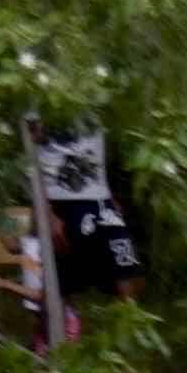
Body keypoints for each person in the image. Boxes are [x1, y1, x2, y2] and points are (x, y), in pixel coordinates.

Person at [32, 122, 145, 328]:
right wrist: (47, 212)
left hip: (100, 201)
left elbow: (96, 146)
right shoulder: (37, 97)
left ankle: (122, 344)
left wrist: (108, 192)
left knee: (127, 271)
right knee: (60, 287)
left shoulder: (98, 95)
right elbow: (28, 154)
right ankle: (55, 346)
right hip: (59, 201)